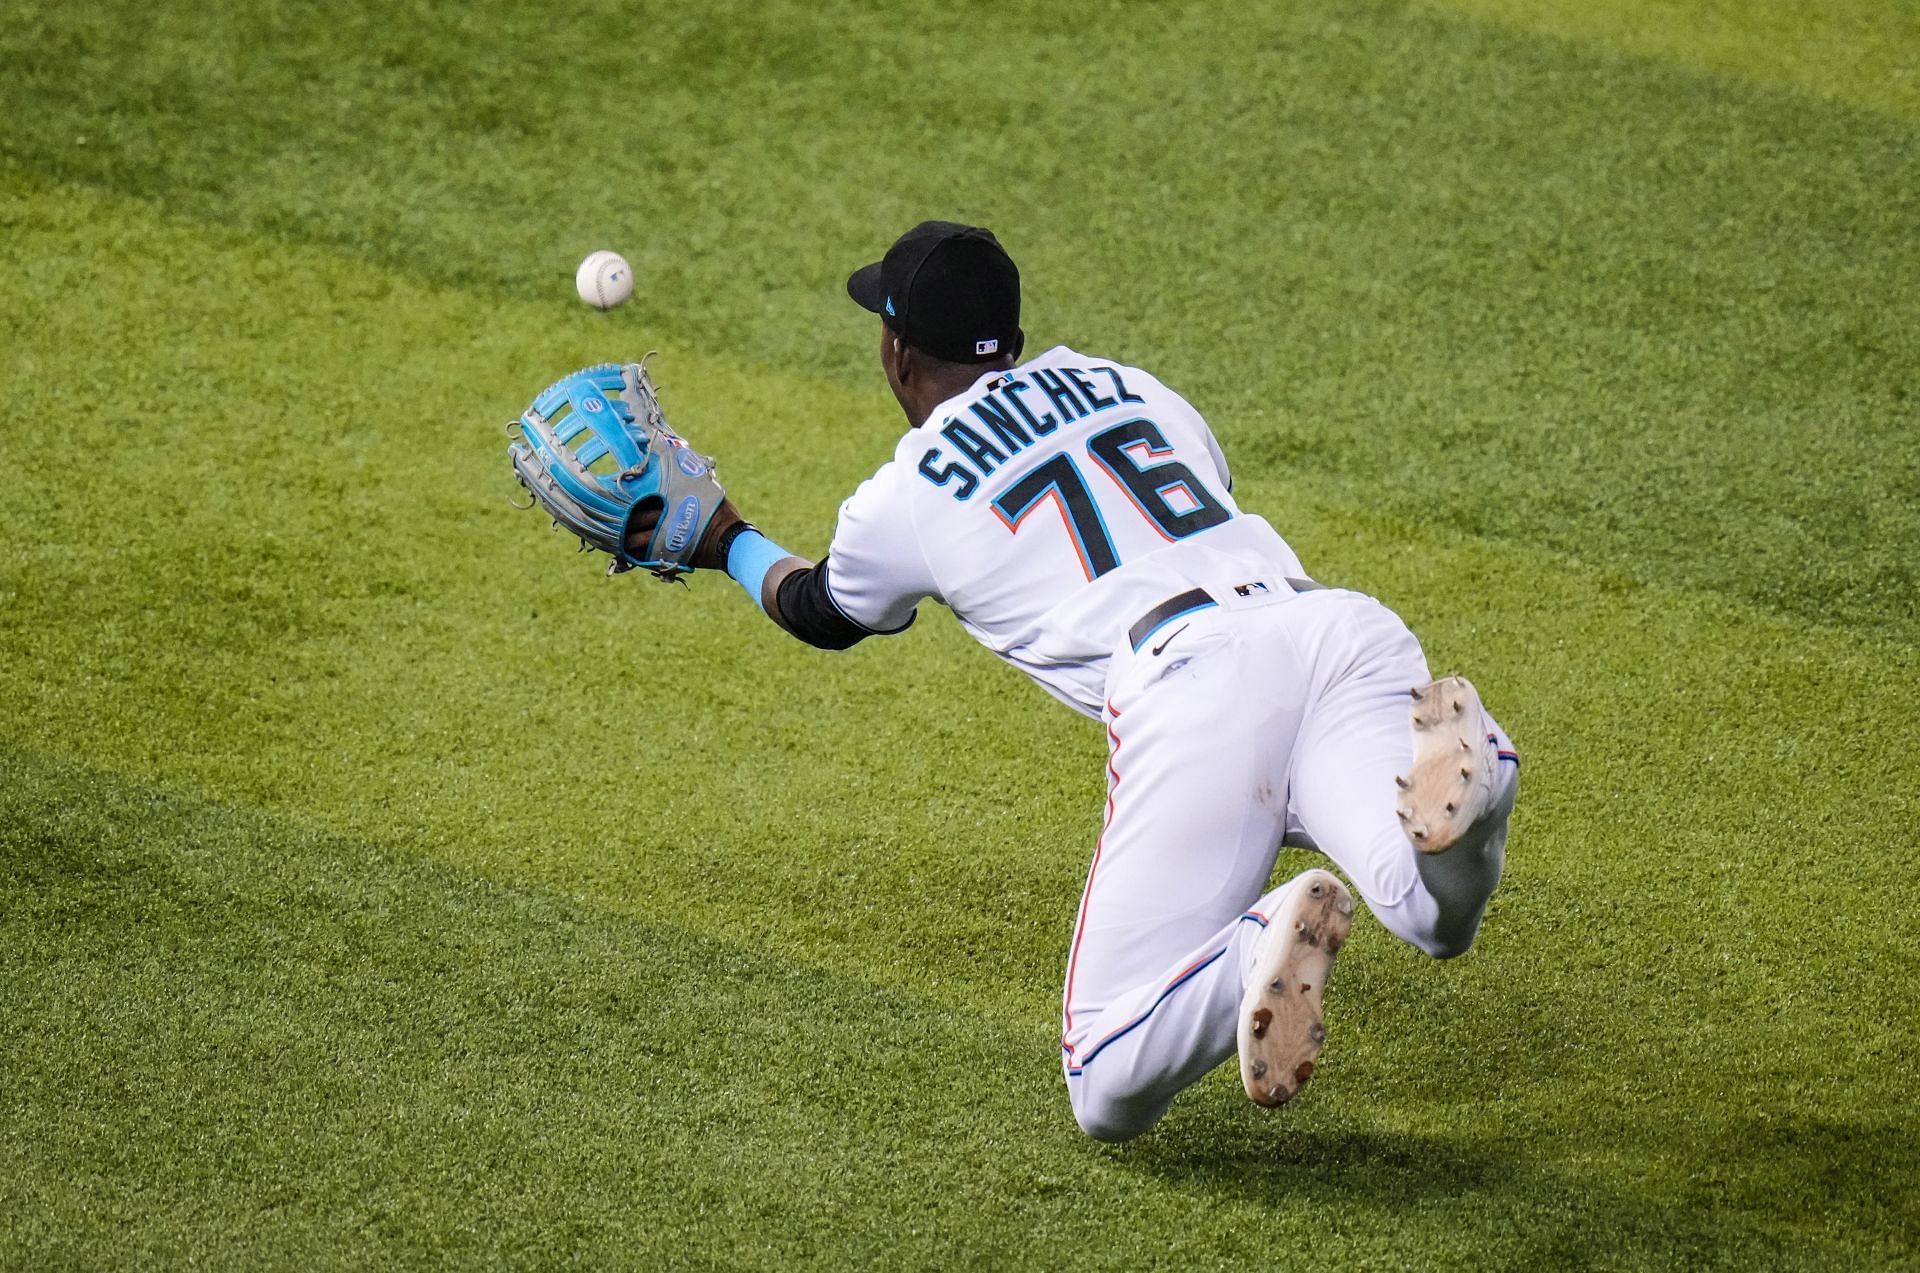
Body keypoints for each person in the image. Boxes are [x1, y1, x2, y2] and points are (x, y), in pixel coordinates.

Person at [639, 221, 1519, 1141]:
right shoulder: (1128, 384)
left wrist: (723, 540)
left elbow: (823, 609)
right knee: (1428, 909)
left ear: (898, 355)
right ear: (1010, 342)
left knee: (1104, 1077)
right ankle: (1479, 777)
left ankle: (1258, 941)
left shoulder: (903, 496)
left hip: (1196, 683)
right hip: (1330, 626)